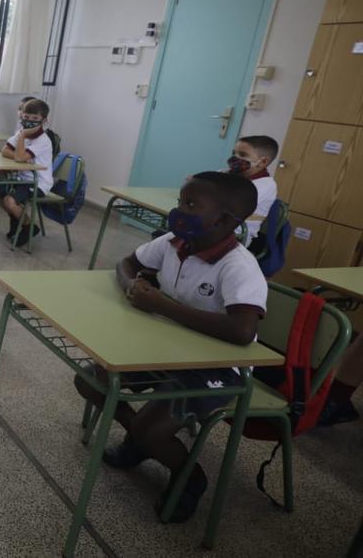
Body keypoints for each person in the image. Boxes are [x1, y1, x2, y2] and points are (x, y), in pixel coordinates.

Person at [72, 172, 266, 523]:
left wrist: (162, 305)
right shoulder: (175, 242)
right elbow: (127, 263)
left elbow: (242, 331)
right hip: (168, 347)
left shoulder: (238, 266)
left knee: (151, 427)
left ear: (224, 220)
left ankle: (189, 477)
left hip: (220, 366)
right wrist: (133, 286)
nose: (179, 210)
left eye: (191, 205)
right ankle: (142, 441)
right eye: (180, 200)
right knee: (90, 380)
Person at [0, 98, 54, 246]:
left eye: (35, 118)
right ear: (21, 116)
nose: (30, 121)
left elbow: (20, 156)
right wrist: (18, 154)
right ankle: (17, 218)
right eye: (26, 117)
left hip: (37, 183)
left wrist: (21, 142)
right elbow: (5, 151)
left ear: (44, 120)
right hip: (20, 179)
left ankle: (29, 226)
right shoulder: (21, 133)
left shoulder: (43, 140)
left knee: (9, 201)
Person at [226, 135, 279, 247]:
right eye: (234, 153)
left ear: (263, 161)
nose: (235, 158)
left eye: (243, 155)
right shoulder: (229, 173)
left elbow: (229, 204)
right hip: (213, 227)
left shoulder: (266, 185)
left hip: (235, 235)